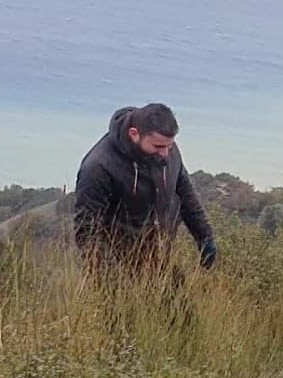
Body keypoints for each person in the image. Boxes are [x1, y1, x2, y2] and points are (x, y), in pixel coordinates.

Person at [73, 103, 218, 273]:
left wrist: (205, 236)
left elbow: (186, 194)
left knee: (179, 291)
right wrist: (111, 277)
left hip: (160, 259)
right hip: (117, 265)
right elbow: (87, 231)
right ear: (134, 134)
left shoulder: (165, 146)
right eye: (158, 146)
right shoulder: (98, 166)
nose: (165, 153)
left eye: (170, 145)